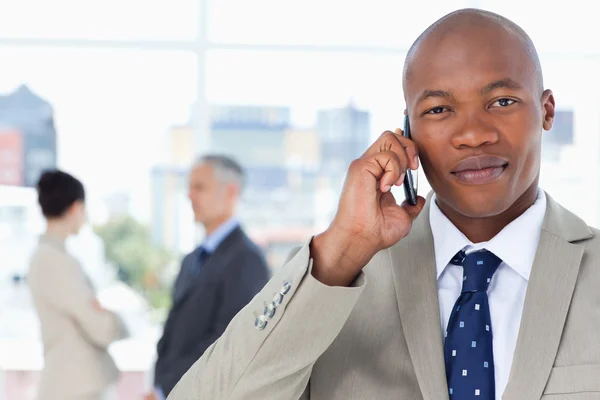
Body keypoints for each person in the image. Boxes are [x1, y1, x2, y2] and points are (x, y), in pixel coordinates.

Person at [167, 8, 600, 400]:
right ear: (406, 131)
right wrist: (342, 249)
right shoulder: (335, 281)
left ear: (546, 111)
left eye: (501, 102)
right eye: (438, 109)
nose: (472, 133)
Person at [151, 155, 270, 399]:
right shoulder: (191, 259)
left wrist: (170, 388)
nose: (190, 196)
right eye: (189, 187)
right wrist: (160, 387)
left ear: (231, 193)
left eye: (199, 187)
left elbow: (230, 341)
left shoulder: (246, 259)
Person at [28, 170, 129, 400]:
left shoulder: (50, 256)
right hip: (74, 386)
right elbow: (99, 326)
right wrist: (116, 321)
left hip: (71, 383)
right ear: (75, 208)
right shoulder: (54, 260)